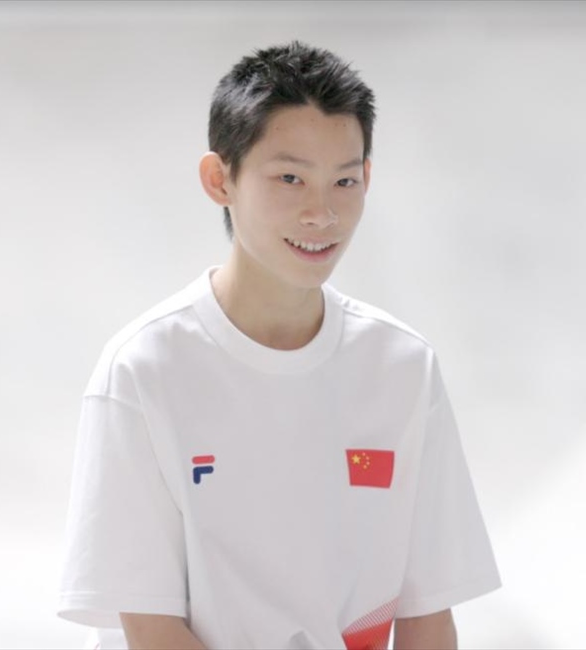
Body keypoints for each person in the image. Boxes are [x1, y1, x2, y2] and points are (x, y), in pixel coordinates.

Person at [57, 41, 501, 650]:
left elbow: (428, 617)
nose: (321, 213)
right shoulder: (143, 371)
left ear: (367, 178)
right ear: (220, 180)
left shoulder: (403, 368)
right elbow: (150, 628)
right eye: (290, 178)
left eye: (344, 180)